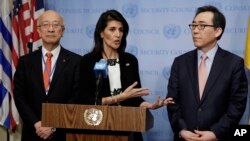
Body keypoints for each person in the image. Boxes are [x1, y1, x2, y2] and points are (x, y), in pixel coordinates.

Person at [73, 9, 174, 141]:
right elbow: (84, 101)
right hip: (98, 129)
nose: (118, 34)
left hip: (128, 129)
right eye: (112, 29)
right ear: (101, 33)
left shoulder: (130, 60)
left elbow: (135, 100)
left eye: (121, 30)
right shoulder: (88, 61)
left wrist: (150, 106)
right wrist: (119, 97)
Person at [167, 5, 248, 141]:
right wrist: (181, 130)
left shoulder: (234, 64)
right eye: (193, 26)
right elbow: (172, 101)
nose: (195, 31)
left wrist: (216, 133)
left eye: (202, 26)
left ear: (217, 31)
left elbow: (237, 105)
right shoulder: (180, 62)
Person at [13, 10, 81, 141]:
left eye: (56, 25)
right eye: (45, 25)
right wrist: (36, 123)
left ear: (62, 31)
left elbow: (76, 98)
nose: (51, 29)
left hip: (62, 134)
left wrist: (54, 125)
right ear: (38, 30)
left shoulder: (76, 61)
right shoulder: (25, 62)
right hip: (33, 133)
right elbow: (19, 96)